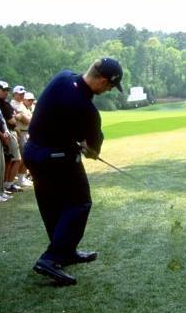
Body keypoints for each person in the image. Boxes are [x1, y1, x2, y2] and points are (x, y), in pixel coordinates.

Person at [24, 57, 123, 286]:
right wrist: (91, 150)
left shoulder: (63, 77)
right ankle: (52, 257)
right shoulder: (86, 110)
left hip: (32, 153)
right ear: (104, 80)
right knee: (80, 203)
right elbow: (91, 149)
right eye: (110, 86)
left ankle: (65, 252)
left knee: (52, 205)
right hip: (57, 159)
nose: (109, 90)